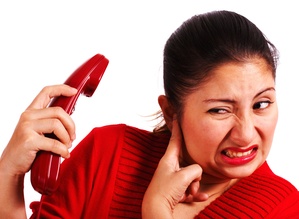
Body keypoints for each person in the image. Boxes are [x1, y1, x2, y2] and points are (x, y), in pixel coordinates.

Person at [0, 10, 299, 219]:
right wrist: (7, 176)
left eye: (261, 104)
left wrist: (155, 211)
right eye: (220, 110)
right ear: (171, 112)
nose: (246, 133)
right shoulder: (106, 152)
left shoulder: (286, 208)